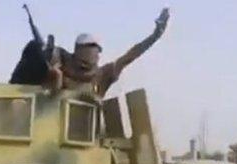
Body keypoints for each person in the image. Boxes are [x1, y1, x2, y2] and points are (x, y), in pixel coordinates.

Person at [34, 8, 170, 97]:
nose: (94, 53)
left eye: (96, 50)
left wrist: (155, 36)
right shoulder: (62, 61)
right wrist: (55, 73)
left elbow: (131, 55)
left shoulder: (102, 74)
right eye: (90, 48)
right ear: (79, 49)